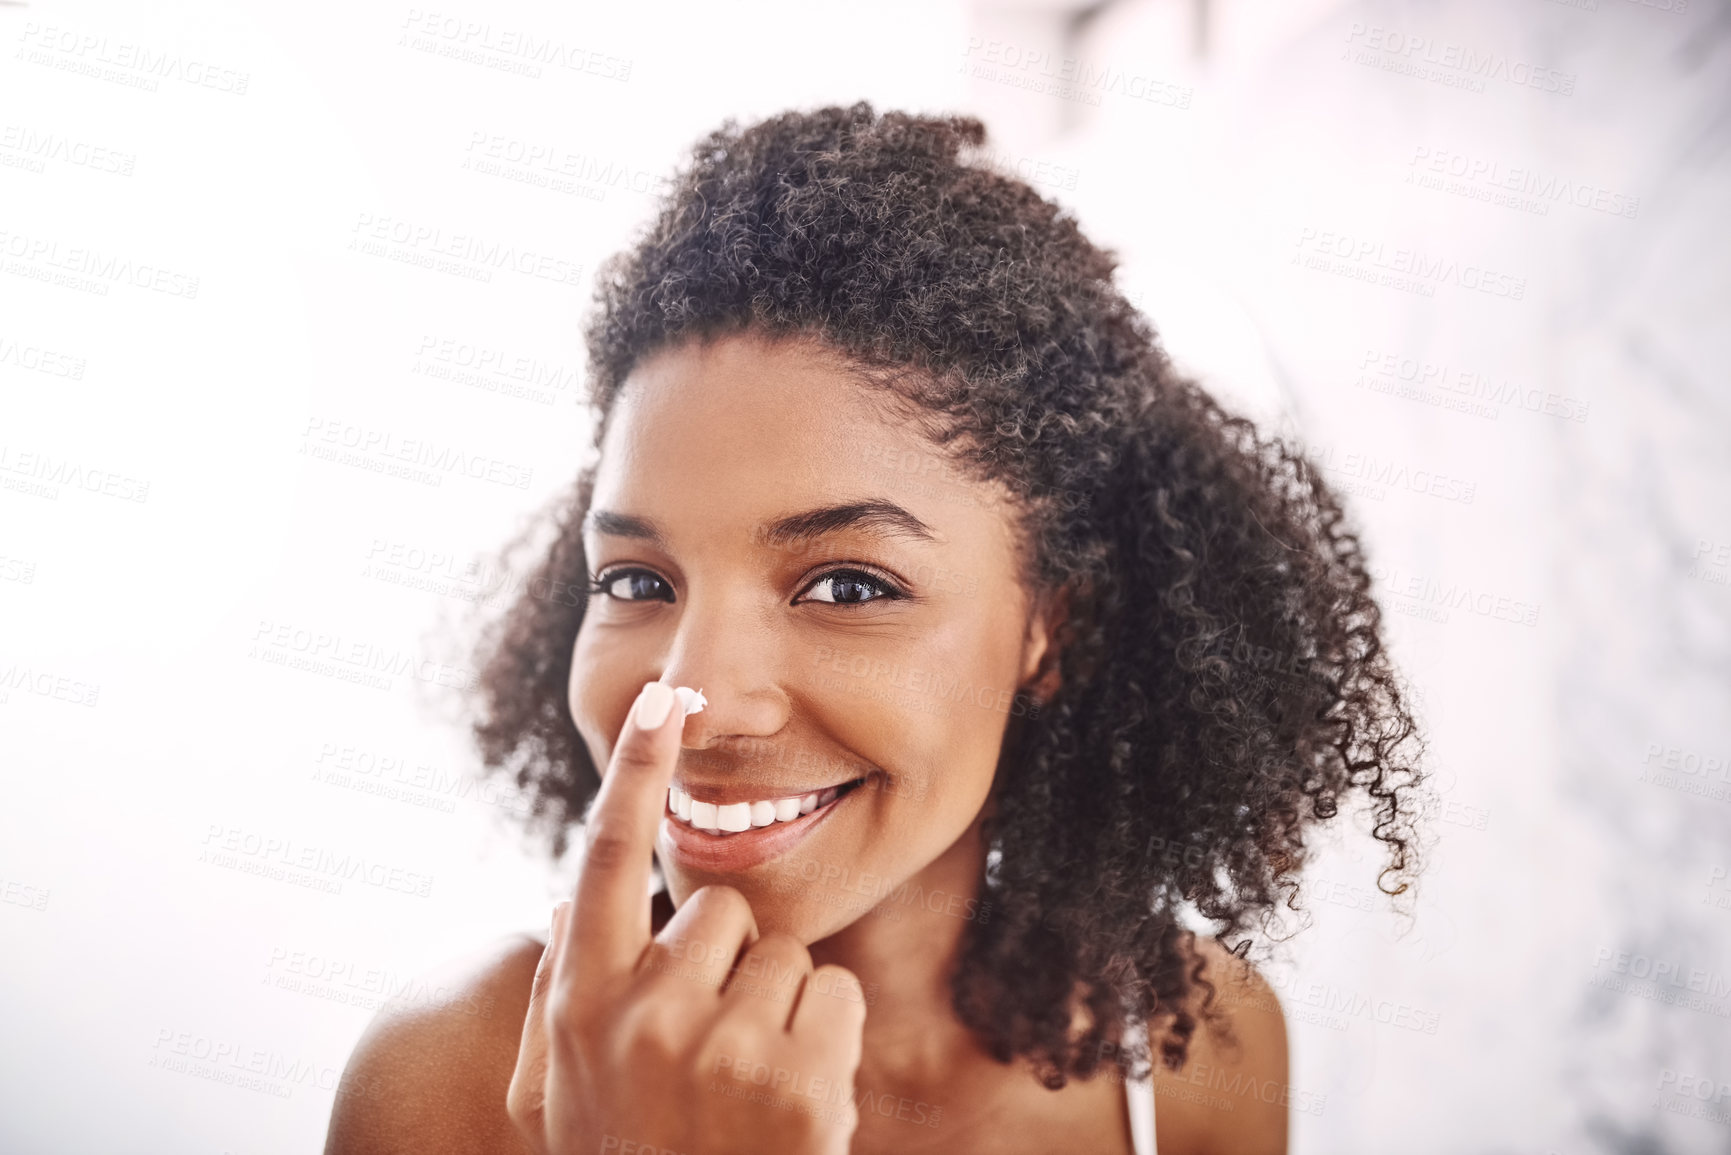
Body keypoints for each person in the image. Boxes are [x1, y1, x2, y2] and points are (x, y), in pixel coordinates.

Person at [325, 102, 1423, 1155]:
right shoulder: (451, 1083)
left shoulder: (1197, 1056)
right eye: (637, 581)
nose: (696, 694)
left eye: (847, 585)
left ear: (1052, 625)